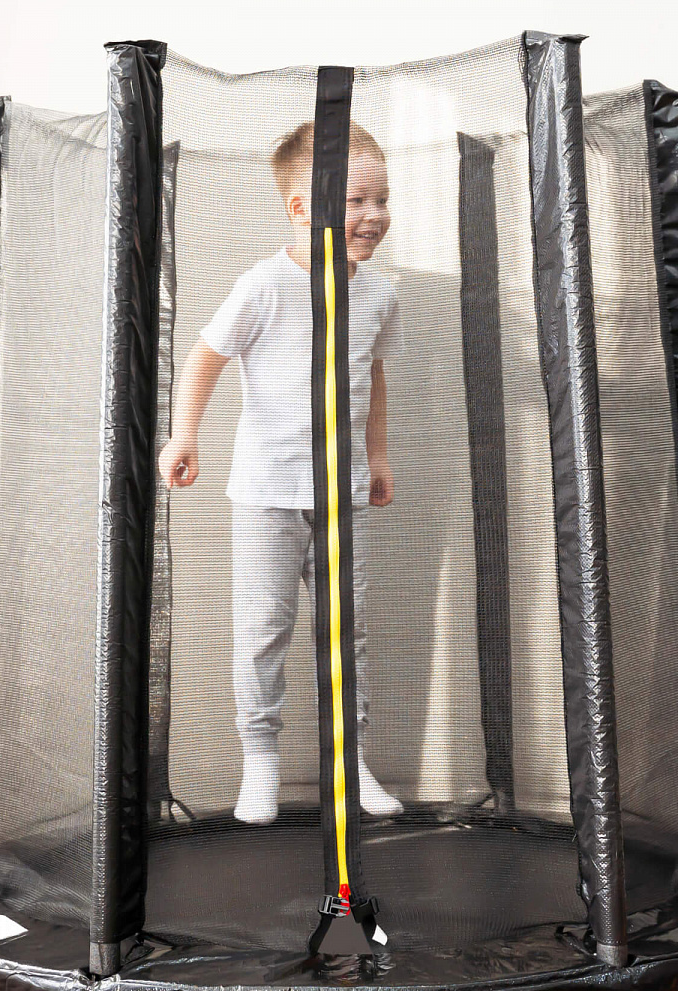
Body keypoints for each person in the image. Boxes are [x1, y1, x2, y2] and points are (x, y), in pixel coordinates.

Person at [158, 119, 404, 825]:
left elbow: (372, 379)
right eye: (355, 200)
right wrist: (185, 435)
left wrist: (378, 455)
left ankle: (349, 760)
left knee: (346, 631)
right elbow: (205, 358)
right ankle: (260, 760)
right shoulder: (265, 285)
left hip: (341, 494)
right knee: (264, 628)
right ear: (302, 208)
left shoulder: (380, 293)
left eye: (382, 200)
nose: (373, 215)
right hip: (268, 493)